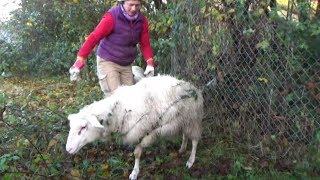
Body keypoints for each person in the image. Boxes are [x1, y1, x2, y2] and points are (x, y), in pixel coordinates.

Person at [69, 0, 155, 96]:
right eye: (131, 5)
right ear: (123, 2)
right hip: (108, 61)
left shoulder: (142, 21)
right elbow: (94, 37)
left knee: (130, 99)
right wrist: (79, 60)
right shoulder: (112, 17)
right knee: (115, 99)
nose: (134, 8)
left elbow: (145, 43)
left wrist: (150, 63)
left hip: (126, 64)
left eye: (137, 5)